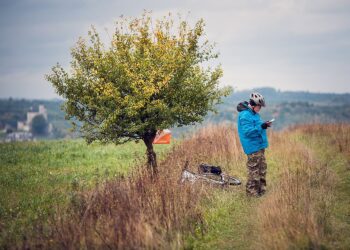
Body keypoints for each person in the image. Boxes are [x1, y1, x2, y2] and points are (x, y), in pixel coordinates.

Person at [237, 92, 271, 197]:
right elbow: (248, 132)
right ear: (253, 104)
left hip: (259, 145)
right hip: (252, 147)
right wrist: (262, 126)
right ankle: (252, 194)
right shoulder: (245, 115)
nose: (260, 108)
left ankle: (261, 192)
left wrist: (264, 124)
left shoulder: (255, 114)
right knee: (254, 172)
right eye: (259, 106)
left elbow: (258, 126)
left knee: (262, 169)